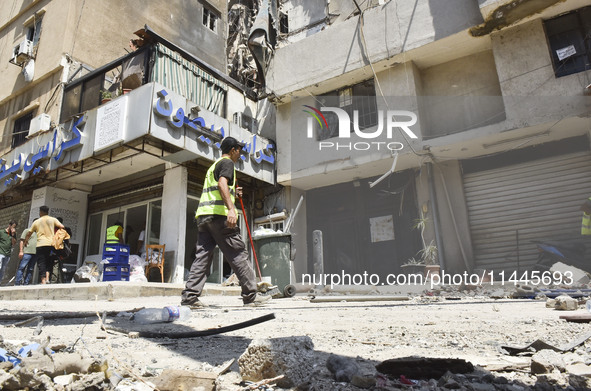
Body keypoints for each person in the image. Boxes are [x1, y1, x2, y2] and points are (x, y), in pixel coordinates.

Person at [181, 137, 270, 308]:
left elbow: (219, 187)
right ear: (233, 150)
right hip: (219, 217)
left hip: (204, 217)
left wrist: (233, 193)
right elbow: (222, 184)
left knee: (202, 257)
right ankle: (251, 296)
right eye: (239, 150)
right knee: (238, 254)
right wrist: (231, 208)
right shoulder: (228, 163)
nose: (240, 153)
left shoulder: (214, 166)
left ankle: (189, 298)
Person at [24, 206, 65, 284]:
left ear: (40, 212)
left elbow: (29, 233)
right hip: (51, 244)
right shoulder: (53, 219)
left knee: (41, 262)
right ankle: (47, 278)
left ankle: (43, 280)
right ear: (47, 212)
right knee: (49, 261)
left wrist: (26, 241)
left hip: (41, 244)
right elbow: (62, 227)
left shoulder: (37, 221)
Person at [15, 219, 37, 285]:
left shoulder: (40, 233)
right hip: (27, 252)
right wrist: (21, 251)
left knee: (30, 269)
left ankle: (26, 283)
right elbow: (21, 241)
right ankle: (17, 283)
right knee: (22, 267)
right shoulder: (27, 230)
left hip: (35, 253)